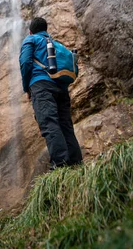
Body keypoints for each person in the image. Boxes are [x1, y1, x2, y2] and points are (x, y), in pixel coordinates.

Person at [19, 17, 83, 169]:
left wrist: (26, 87)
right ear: (45, 30)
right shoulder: (55, 44)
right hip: (61, 87)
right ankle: (76, 162)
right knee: (65, 124)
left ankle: (60, 163)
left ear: (30, 31)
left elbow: (25, 62)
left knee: (49, 123)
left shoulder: (31, 40)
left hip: (41, 86)